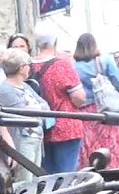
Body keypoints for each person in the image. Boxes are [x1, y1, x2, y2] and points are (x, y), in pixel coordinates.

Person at [31, 28, 87, 173]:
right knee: (67, 173)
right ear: (55, 42)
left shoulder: (29, 66)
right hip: (66, 125)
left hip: (41, 126)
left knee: (47, 174)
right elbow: (79, 98)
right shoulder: (61, 65)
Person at [0, 47, 50, 183]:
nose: (30, 68)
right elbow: (24, 114)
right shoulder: (5, 90)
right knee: (24, 180)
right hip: (22, 140)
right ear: (22, 68)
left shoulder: (26, 86)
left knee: (34, 178)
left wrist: (36, 110)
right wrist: (36, 110)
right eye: (28, 65)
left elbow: (44, 107)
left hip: (35, 138)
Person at [72, 33, 119, 170]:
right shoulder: (105, 61)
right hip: (105, 109)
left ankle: (91, 168)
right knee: (110, 140)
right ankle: (114, 168)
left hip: (84, 113)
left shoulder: (73, 67)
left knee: (90, 143)